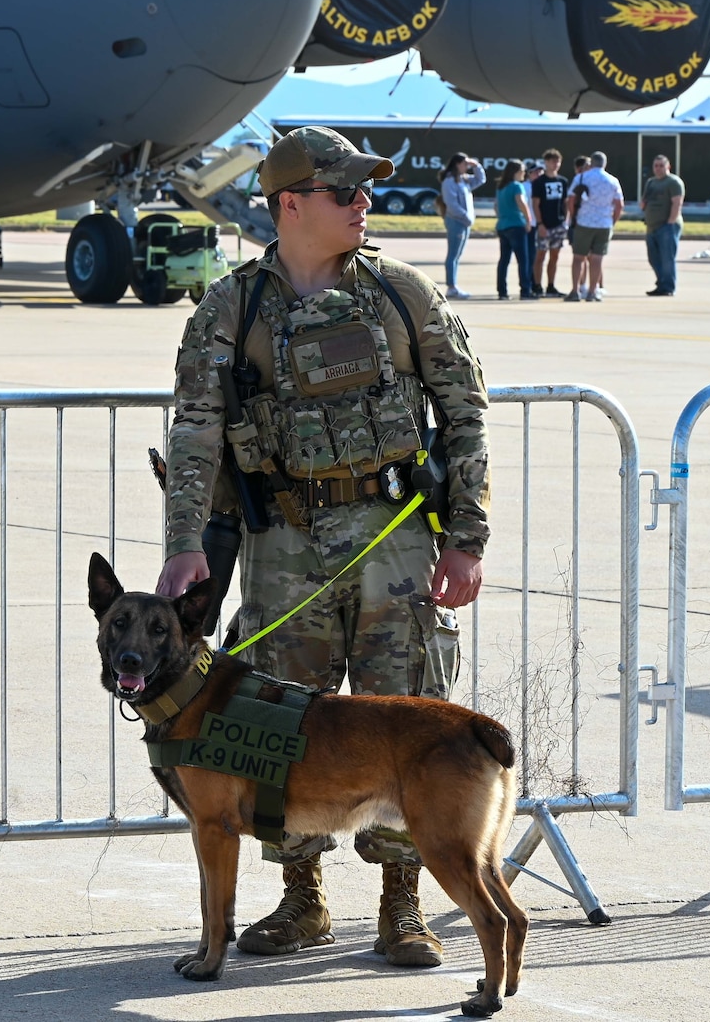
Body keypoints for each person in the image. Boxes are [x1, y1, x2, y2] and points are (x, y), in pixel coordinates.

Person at [156, 126, 489, 971]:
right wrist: (185, 543)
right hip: (283, 545)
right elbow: (195, 434)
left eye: (365, 190)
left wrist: (466, 536)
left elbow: (465, 413)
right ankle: (300, 898)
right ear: (290, 203)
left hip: (394, 543)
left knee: (405, 716)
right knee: (268, 729)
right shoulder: (230, 308)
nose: (363, 202)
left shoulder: (402, 293)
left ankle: (402, 907)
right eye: (345, 192)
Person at [565, 152, 622, 302]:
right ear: (605, 163)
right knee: (597, 259)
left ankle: (575, 290)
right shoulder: (613, 181)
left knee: (578, 258)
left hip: (584, 222)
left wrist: (573, 217)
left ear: (591, 164)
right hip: (604, 223)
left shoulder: (581, 177)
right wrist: (612, 221)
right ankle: (592, 291)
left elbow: (571, 199)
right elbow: (619, 204)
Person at [436, 153, 483, 300]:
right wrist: (466, 217)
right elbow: (452, 204)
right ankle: (452, 287)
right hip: (456, 221)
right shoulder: (449, 181)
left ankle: (453, 285)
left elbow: (481, 179)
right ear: (457, 164)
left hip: (464, 222)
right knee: (453, 255)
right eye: (465, 164)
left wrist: (476, 165)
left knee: (457, 255)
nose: (467, 166)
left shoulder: (464, 179)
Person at [641, 154, 685, 297]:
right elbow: (644, 200)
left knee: (667, 258)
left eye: (661, 166)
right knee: (653, 258)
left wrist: (670, 222)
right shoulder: (651, 182)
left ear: (668, 167)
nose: (658, 169)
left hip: (667, 226)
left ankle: (668, 287)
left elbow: (677, 203)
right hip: (651, 226)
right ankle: (661, 283)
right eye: (656, 166)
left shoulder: (673, 182)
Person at [529, 149, 568, 298]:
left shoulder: (562, 181)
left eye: (557, 161)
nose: (555, 164)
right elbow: (535, 204)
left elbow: (565, 202)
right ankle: (537, 285)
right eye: (552, 161)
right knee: (540, 256)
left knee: (555, 256)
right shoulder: (539, 182)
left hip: (558, 224)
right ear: (546, 163)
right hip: (544, 224)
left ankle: (551, 285)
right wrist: (540, 224)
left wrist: (565, 220)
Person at [493, 159, 532, 300]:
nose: (524, 174)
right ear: (516, 172)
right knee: (523, 260)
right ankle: (525, 290)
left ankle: (502, 291)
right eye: (522, 171)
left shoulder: (501, 187)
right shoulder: (517, 186)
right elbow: (521, 203)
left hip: (503, 225)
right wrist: (528, 220)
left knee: (504, 260)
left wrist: (502, 216)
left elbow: (496, 206)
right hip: (516, 225)